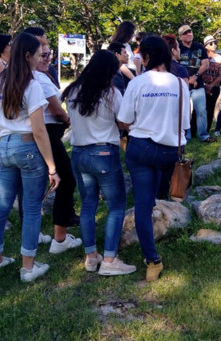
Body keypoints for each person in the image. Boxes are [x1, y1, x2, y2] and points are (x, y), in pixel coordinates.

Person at [118, 36, 190, 281]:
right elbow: (185, 124)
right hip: (170, 152)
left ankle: (152, 260)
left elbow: (125, 121)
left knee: (142, 203)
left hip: (141, 150)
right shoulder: (181, 84)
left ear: (146, 57)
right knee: (156, 194)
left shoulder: (137, 84)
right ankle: (160, 223)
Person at [62, 50, 136, 276]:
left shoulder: (72, 90)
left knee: (87, 205)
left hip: (79, 153)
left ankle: (91, 256)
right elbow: (124, 121)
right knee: (116, 206)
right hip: (104, 152)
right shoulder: (111, 93)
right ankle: (111, 259)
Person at [0, 32, 60, 282]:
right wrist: (52, 167)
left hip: (3, 146)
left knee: (2, 206)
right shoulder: (32, 84)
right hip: (26, 147)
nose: (40, 58)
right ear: (28, 56)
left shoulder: (1, 80)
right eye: (38, 54)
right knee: (32, 207)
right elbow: (38, 130)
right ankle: (28, 267)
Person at [34, 37, 82, 253]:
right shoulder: (39, 79)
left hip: (38, 134)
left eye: (49, 55)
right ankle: (60, 239)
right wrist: (67, 119)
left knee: (33, 189)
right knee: (65, 180)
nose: (47, 59)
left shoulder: (28, 77)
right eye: (43, 55)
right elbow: (55, 110)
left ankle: (36, 236)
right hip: (48, 133)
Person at [178, 25, 215, 143]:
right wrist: (186, 80)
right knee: (184, 111)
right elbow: (173, 64)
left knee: (202, 111)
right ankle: (186, 136)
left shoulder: (199, 47)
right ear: (180, 37)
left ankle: (203, 135)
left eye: (190, 31)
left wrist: (195, 77)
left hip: (197, 85)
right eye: (185, 33)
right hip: (182, 84)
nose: (189, 34)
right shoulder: (177, 48)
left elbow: (205, 64)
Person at [202, 35, 221, 133]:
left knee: (210, 109)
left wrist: (211, 85)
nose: (214, 45)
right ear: (206, 46)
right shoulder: (202, 56)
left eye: (215, 43)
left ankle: (206, 131)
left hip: (214, 87)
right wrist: (204, 85)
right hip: (202, 86)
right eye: (211, 43)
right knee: (198, 110)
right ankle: (193, 131)